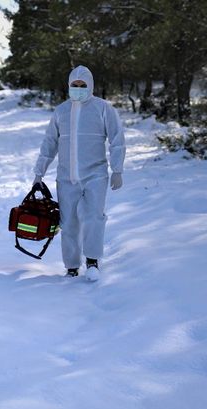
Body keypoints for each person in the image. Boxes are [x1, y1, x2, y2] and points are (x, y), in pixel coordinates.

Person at [33, 65, 126, 282]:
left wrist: (117, 169)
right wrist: (39, 172)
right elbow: (49, 143)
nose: (78, 89)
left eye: (82, 85)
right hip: (66, 178)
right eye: (74, 85)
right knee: (69, 223)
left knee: (94, 217)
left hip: (96, 174)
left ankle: (92, 261)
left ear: (90, 86)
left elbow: (117, 139)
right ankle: (72, 266)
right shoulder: (61, 111)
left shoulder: (103, 109)